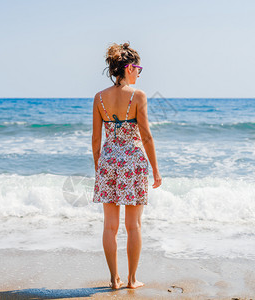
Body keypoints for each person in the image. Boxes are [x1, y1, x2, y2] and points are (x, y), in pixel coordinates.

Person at [92, 42, 162, 290]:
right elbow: (146, 136)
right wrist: (155, 168)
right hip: (132, 161)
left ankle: (113, 279)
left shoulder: (99, 97)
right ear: (129, 68)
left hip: (108, 161)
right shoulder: (138, 95)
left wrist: (100, 169)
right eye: (138, 68)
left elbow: (96, 140)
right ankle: (132, 280)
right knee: (134, 226)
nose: (140, 73)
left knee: (109, 226)